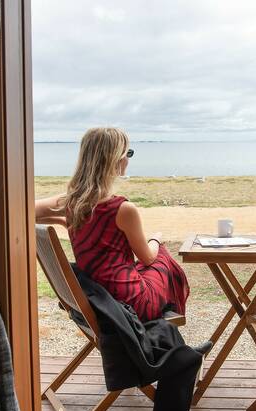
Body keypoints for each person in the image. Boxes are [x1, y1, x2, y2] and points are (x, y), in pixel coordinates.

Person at [35, 127, 190, 322]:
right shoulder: (123, 209)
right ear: (116, 159)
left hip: (97, 298)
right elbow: (148, 258)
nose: (128, 159)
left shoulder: (71, 203)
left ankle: (167, 344)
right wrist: (155, 240)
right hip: (128, 304)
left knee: (148, 266)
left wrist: (62, 220)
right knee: (162, 258)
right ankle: (168, 342)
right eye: (128, 153)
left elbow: (26, 210)